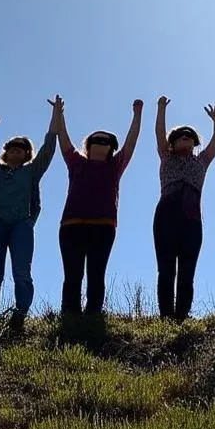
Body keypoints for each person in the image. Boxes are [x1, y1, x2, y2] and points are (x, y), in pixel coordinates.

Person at [0, 96, 61, 331]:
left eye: (20, 150)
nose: (15, 152)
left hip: (21, 225)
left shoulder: (32, 171)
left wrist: (56, 115)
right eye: (11, 149)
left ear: (26, 154)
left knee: (22, 272)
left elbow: (48, 148)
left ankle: (20, 314)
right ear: (6, 153)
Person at [54, 97, 142, 316]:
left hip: (103, 225)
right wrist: (59, 114)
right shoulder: (76, 161)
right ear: (89, 144)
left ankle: (93, 316)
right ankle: (70, 316)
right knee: (73, 275)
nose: (102, 143)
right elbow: (63, 139)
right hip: (72, 225)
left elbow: (131, 143)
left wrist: (137, 115)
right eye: (97, 140)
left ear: (112, 147)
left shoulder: (116, 165)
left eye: (107, 141)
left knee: (96, 274)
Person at [153, 97, 215, 321]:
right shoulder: (167, 157)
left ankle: (181, 316)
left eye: (189, 136)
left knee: (187, 272)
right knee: (166, 270)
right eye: (179, 136)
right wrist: (161, 109)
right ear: (172, 143)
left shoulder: (201, 161)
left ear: (194, 142)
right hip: (165, 214)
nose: (185, 137)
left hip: (191, 219)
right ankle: (166, 317)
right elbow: (159, 134)